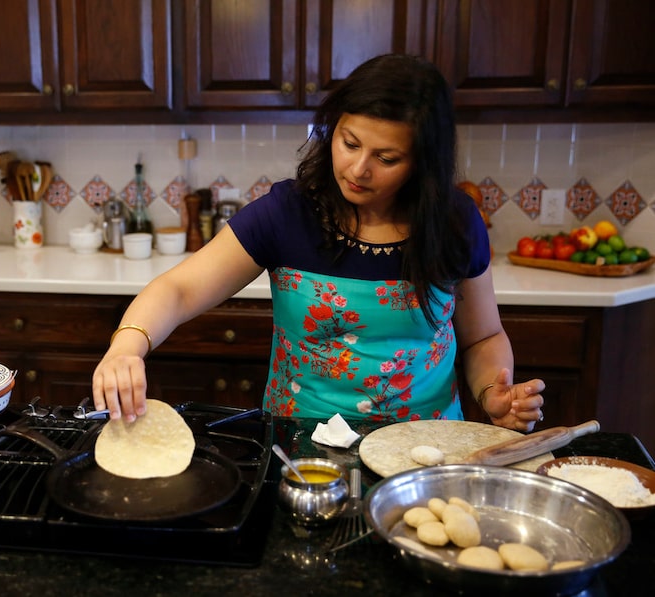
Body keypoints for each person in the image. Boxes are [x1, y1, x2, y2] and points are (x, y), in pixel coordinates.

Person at [92, 53, 544, 432]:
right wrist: (127, 346)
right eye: (349, 143)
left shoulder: (455, 222)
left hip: (425, 450)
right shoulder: (288, 213)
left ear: (421, 163)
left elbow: (483, 335)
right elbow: (179, 288)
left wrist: (493, 394)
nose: (358, 169)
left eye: (386, 158)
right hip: (301, 446)